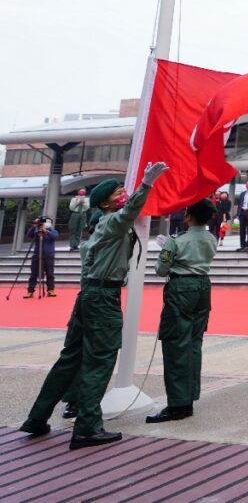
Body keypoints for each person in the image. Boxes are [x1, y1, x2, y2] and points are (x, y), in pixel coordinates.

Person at [20, 161, 169, 449]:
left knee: (69, 360)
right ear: (104, 203)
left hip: (87, 297)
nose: (123, 194)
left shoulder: (99, 229)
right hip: (102, 299)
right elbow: (127, 213)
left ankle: (37, 418)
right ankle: (88, 427)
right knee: (99, 361)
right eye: (118, 193)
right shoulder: (112, 222)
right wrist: (147, 185)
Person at [147, 198, 218, 423]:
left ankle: (177, 404)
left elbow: (161, 269)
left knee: (176, 344)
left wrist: (166, 247)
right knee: (194, 344)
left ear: (189, 216)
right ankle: (188, 400)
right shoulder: (211, 239)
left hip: (181, 288)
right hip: (203, 287)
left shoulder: (177, 241)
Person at [24, 217, 58, 298]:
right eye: (45, 221)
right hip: (37, 255)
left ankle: (50, 290)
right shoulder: (36, 231)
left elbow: (55, 236)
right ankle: (30, 291)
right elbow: (29, 235)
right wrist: (34, 225)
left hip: (49, 256)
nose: (47, 223)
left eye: (49, 222)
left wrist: (46, 231)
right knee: (33, 274)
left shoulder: (53, 231)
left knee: (50, 273)